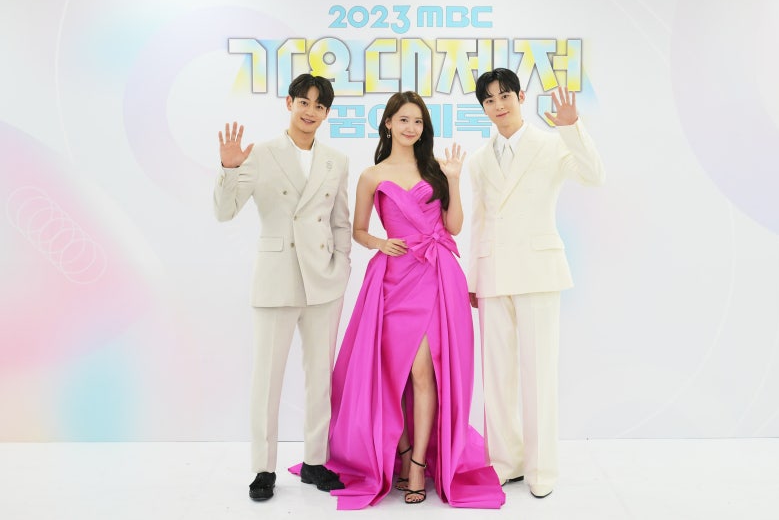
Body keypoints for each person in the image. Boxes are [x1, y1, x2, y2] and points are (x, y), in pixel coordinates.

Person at [320, 91, 505, 509]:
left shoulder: (436, 169)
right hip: (394, 278)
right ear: (388, 123)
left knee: (425, 372)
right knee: (393, 373)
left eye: (418, 121)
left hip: (437, 276)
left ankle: (419, 463)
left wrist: (453, 179)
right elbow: (359, 230)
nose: (411, 127)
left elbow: (453, 227)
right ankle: (402, 453)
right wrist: (380, 243)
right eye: (403, 119)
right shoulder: (372, 175)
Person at [467, 68, 605, 499]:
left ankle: (541, 468)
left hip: (538, 271)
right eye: (489, 100)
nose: (498, 105)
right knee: (497, 376)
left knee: (539, 372)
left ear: (520, 97)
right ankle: (504, 461)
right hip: (493, 274)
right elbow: (479, 219)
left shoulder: (550, 144)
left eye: (504, 96)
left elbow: (593, 175)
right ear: (483, 107)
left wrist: (572, 127)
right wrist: (473, 276)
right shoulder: (479, 158)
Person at [214, 73, 351, 501]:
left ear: (326, 113)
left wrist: (342, 266)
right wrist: (229, 169)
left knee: (319, 377)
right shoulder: (261, 153)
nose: (310, 112)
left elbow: (340, 221)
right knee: (267, 379)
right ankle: (263, 468)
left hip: (323, 281)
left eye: (319, 106)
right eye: (304, 102)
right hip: (277, 278)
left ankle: (314, 460)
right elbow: (224, 211)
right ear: (289, 103)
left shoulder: (335, 160)